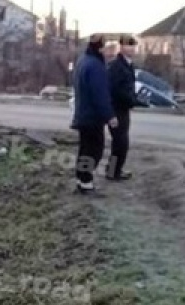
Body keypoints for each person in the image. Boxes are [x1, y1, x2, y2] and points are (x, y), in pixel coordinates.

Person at [71, 34, 118, 195]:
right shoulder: (96, 66)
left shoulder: (83, 61)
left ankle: (81, 181)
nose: (110, 52)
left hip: (83, 113)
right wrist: (110, 116)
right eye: (108, 48)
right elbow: (100, 94)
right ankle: (86, 182)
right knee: (94, 150)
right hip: (92, 116)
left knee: (84, 149)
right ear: (100, 48)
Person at [106, 35, 149, 180]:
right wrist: (132, 100)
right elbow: (115, 89)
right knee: (120, 143)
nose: (131, 48)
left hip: (123, 108)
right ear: (122, 47)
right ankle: (113, 172)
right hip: (116, 108)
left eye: (133, 45)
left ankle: (114, 170)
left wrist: (135, 100)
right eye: (128, 45)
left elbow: (128, 87)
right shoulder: (116, 66)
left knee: (121, 143)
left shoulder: (128, 64)